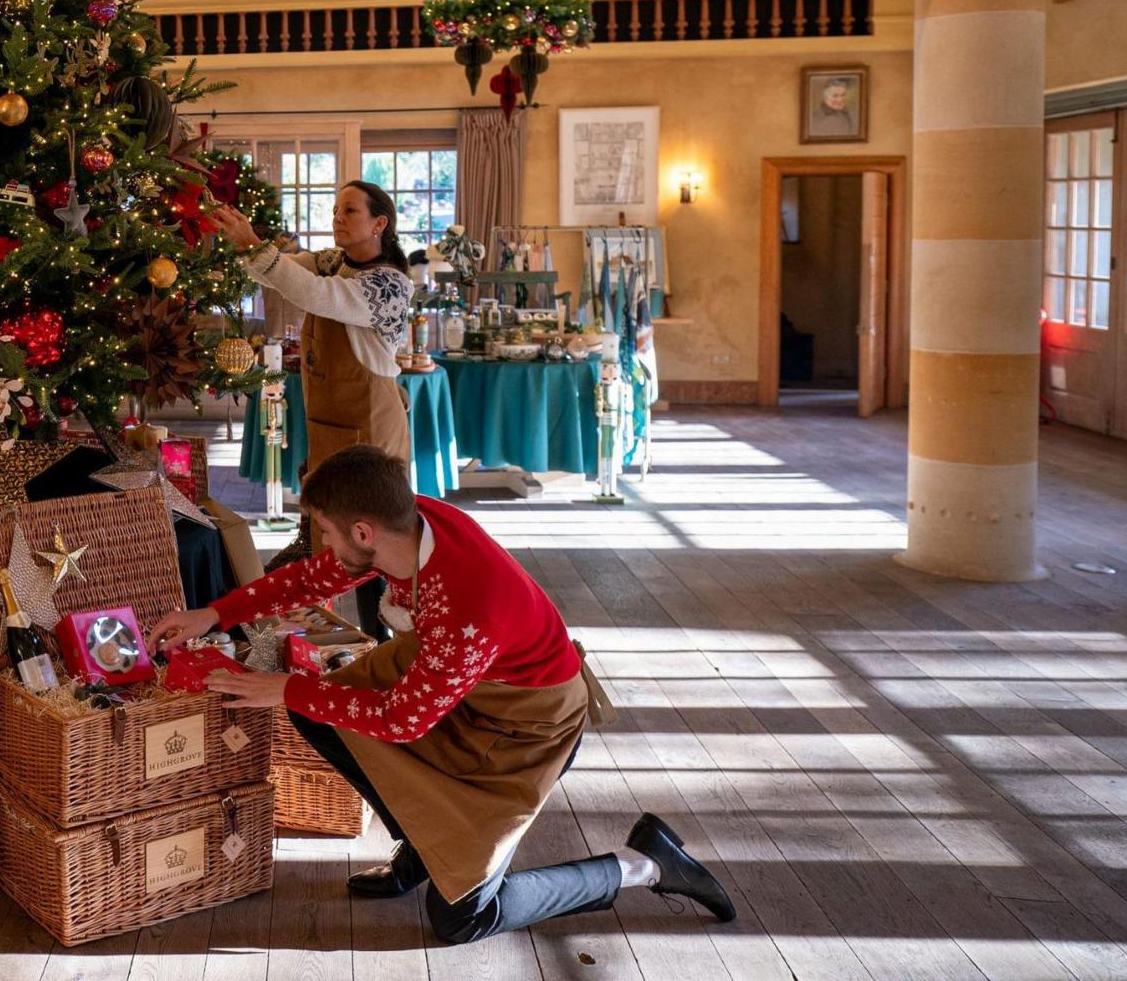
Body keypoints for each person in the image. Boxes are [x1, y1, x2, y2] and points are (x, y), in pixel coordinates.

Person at [150, 445, 735, 945]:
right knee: (315, 710)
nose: (321, 544)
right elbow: (312, 578)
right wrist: (215, 613)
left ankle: (646, 864)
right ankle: (421, 846)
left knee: (462, 920)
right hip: (452, 676)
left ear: (362, 531)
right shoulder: (408, 524)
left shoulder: (466, 604)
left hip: (525, 725)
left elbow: (403, 720)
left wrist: (285, 686)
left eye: (325, 530)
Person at [211, 180, 412, 630]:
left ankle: (382, 645)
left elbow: (315, 294)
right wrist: (244, 247)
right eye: (335, 210)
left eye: (350, 212)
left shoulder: (389, 285)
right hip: (333, 431)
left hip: (372, 433)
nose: (337, 218)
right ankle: (333, 645)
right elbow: (284, 273)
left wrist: (255, 247)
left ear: (380, 223)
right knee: (334, 547)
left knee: (372, 550)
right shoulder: (332, 262)